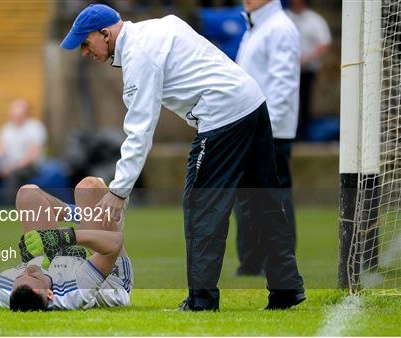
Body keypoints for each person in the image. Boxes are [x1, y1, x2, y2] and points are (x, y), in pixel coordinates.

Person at [60, 4, 304, 311]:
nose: (84, 52)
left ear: (105, 33)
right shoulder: (155, 28)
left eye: (85, 43)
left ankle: (201, 301)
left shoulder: (139, 55)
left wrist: (118, 191)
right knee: (262, 202)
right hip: (252, 102)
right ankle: (286, 289)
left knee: (200, 205)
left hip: (223, 114)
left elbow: (140, 131)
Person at [0, 176, 133, 311]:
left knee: (27, 194)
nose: (27, 270)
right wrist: (60, 237)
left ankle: (77, 214)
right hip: (109, 276)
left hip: (60, 265)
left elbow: (26, 274)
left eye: (20, 275)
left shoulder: (6, 285)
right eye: (34, 275)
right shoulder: (75, 292)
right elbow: (115, 242)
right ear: (50, 294)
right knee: (89, 186)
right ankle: (96, 218)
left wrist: (36, 258)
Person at [234, 0, 300, 276]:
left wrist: (265, 129)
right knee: (249, 197)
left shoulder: (280, 27)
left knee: (274, 196)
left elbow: (283, 82)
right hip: (252, 127)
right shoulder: (256, 27)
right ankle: (252, 260)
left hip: (269, 130)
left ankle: (278, 259)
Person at [0, 98, 47, 205]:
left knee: (13, 176)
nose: (15, 117)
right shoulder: (7, 128)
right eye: (13, 114)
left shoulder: (35, 127)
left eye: (18, 114)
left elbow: (32, 155)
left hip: (29, 167)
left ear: (26, 114)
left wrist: (12, 167)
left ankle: (10, 208)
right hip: (7, 166)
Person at [286, 0, 331, 140]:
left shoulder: (315, 20)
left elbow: (324, 44)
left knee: (304, 100)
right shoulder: (285, 17)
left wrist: (306, 58)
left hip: (307, 70)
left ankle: (303, 133)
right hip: (288, 69)